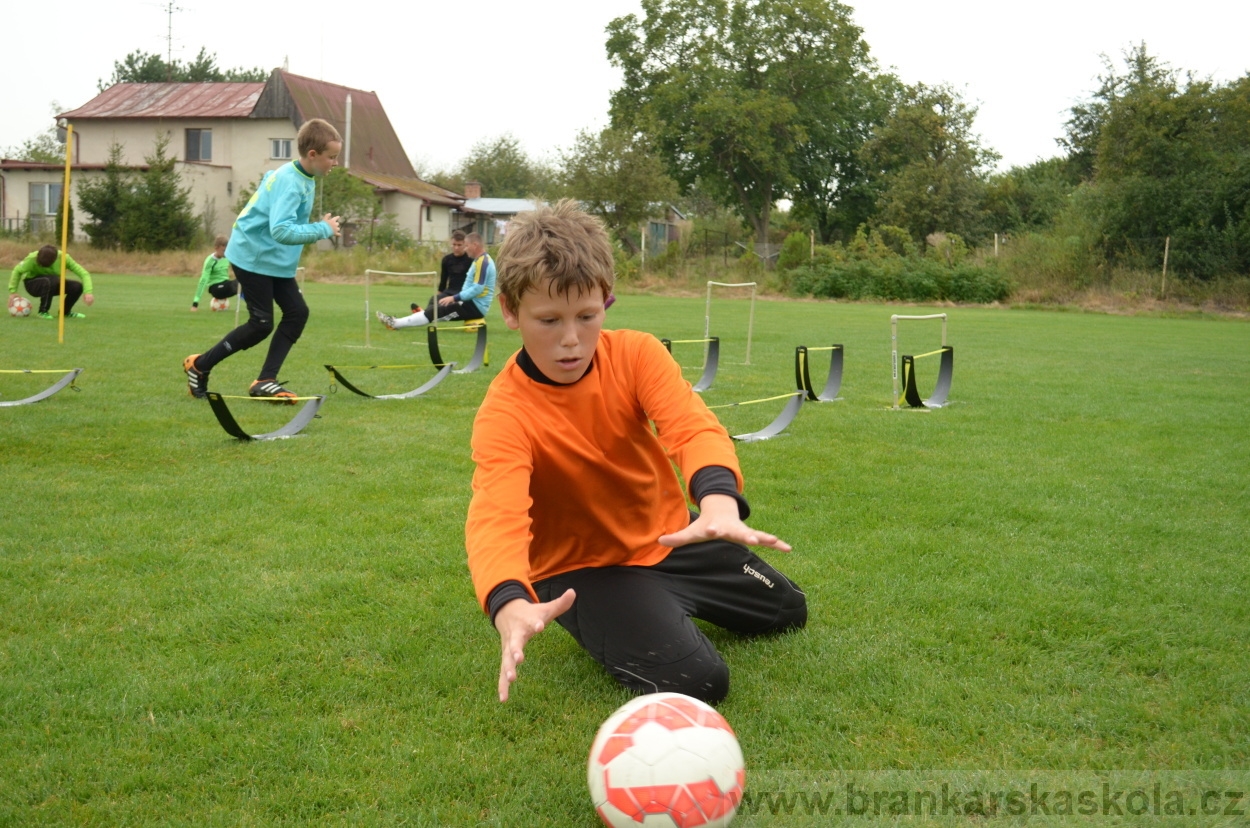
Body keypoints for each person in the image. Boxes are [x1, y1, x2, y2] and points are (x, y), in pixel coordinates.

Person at [465, 200, 806, 705]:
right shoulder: (505, 413)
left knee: (788, 612)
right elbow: (497, 515)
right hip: (586, 569)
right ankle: (621, 613)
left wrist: (717, 504)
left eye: (586, 315)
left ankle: (658, 603)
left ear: (607, 300)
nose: (571, 340)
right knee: (700, 682)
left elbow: (692, 428)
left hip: (670, 535)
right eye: (548, 320)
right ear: (511, 312)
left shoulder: (638, 353)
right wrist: (509, 601)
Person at [183, 118, 342, 402]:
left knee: (296, 313)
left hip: (273, 261)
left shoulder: (303, 177)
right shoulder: (291, 182)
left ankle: (266, 380)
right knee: (261, 323)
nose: (335, 164)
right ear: (313, 155)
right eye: (332, 157)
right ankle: (200, 365)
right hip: (252, 257)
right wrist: (322, 229)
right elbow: (280, 229)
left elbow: (270, 182)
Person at [377, 232, 495, 329]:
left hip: (474, 307)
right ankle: (398, 321)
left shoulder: (483, 262)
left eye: (467, 245)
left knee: (435, 312)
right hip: (469, 303)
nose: (465, 248)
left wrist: (454, 298)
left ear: (474, 245)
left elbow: (478, 288)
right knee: (436, 307)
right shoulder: (479, 260)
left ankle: (395, 323)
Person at [7, 244, 93, 319]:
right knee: (51, 280)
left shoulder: (64, 258)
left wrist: (88, 292)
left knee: (76, 286)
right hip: (32, 284)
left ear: (54, 260)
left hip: (53, 283)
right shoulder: (32, 258)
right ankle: (43, 312)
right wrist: (12, 291)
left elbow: (84, 273)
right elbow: (17, 271)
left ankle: (65, 312)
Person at [190, 234, 239, 311]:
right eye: (223, 250)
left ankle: (255, 307)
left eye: (227, 250)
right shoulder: (210, 261)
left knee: (245, 281)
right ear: (216, 248)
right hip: (216, 288)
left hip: (226, 285)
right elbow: (203, 281)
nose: (226, 253)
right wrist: (195, 303)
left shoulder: (227, 257)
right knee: (237, 284)